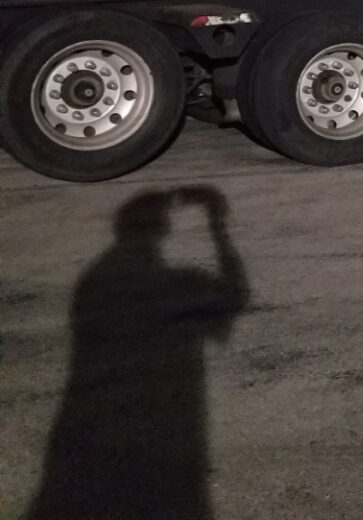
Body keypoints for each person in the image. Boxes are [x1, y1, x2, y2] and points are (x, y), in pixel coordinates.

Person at [25, 188, 249, 520]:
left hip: (88, 427)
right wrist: (217, 225)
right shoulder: (174, 282)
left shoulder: (94, 279)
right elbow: (234, 295)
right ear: (164, 228)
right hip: (161, 430)